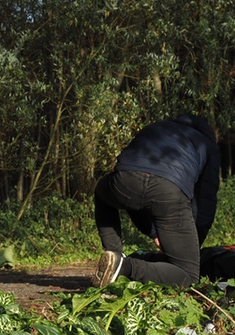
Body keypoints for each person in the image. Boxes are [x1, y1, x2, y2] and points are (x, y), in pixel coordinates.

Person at [92, 114, 220, 288]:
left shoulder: (156, 127)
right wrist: (192, 244)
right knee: (188, 276)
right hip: (168, 192)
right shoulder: (207, 143)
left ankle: (114, 256)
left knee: (102, 192)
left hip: (124, 180)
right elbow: (205, 201)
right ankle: (125, 267)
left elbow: (136, 198)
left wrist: (152, 231)